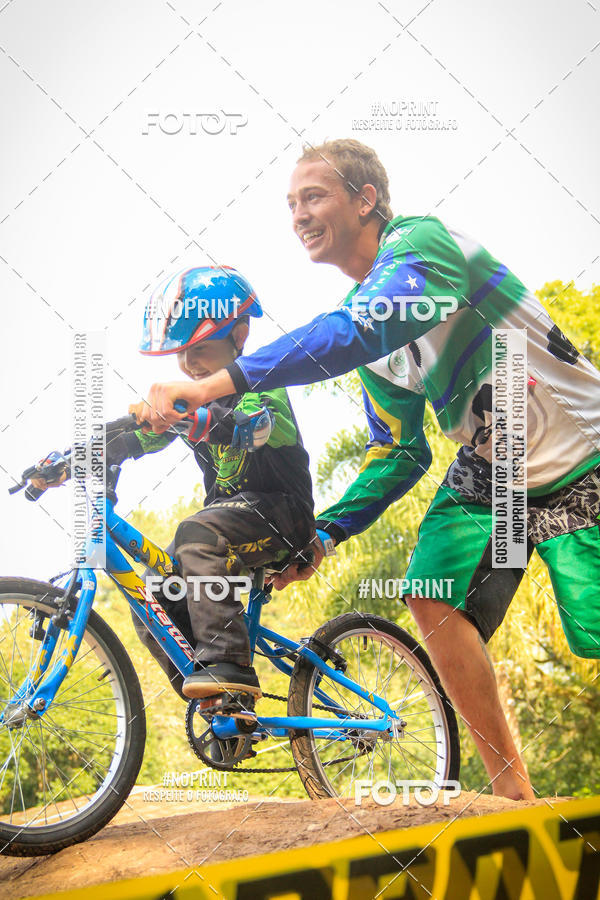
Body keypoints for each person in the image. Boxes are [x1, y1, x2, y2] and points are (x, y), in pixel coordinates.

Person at [139, 140, 600, 800]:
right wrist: (325, 534)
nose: (299, 214)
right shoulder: (378, 352)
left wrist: (219, 383)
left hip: (583, 453)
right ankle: (512, 792)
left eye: (314, 196)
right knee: (431, 594)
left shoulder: (426, 247)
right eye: (291, 203)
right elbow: (399, 452)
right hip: (493, 469)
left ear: (367, 200)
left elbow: (360, 328)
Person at [37, 265, 316, 707]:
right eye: (181, 356)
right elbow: (134, 437)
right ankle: (215, 699)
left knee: (196, 535)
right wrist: (72, 458)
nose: (189, 365)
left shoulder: (262, 381)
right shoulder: (190, 401)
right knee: (155, 594)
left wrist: (195, 415)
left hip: (284, 515)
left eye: (200, 349)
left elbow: (260, 428)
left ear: (239, 336)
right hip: (229, 526)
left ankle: (230, 666)